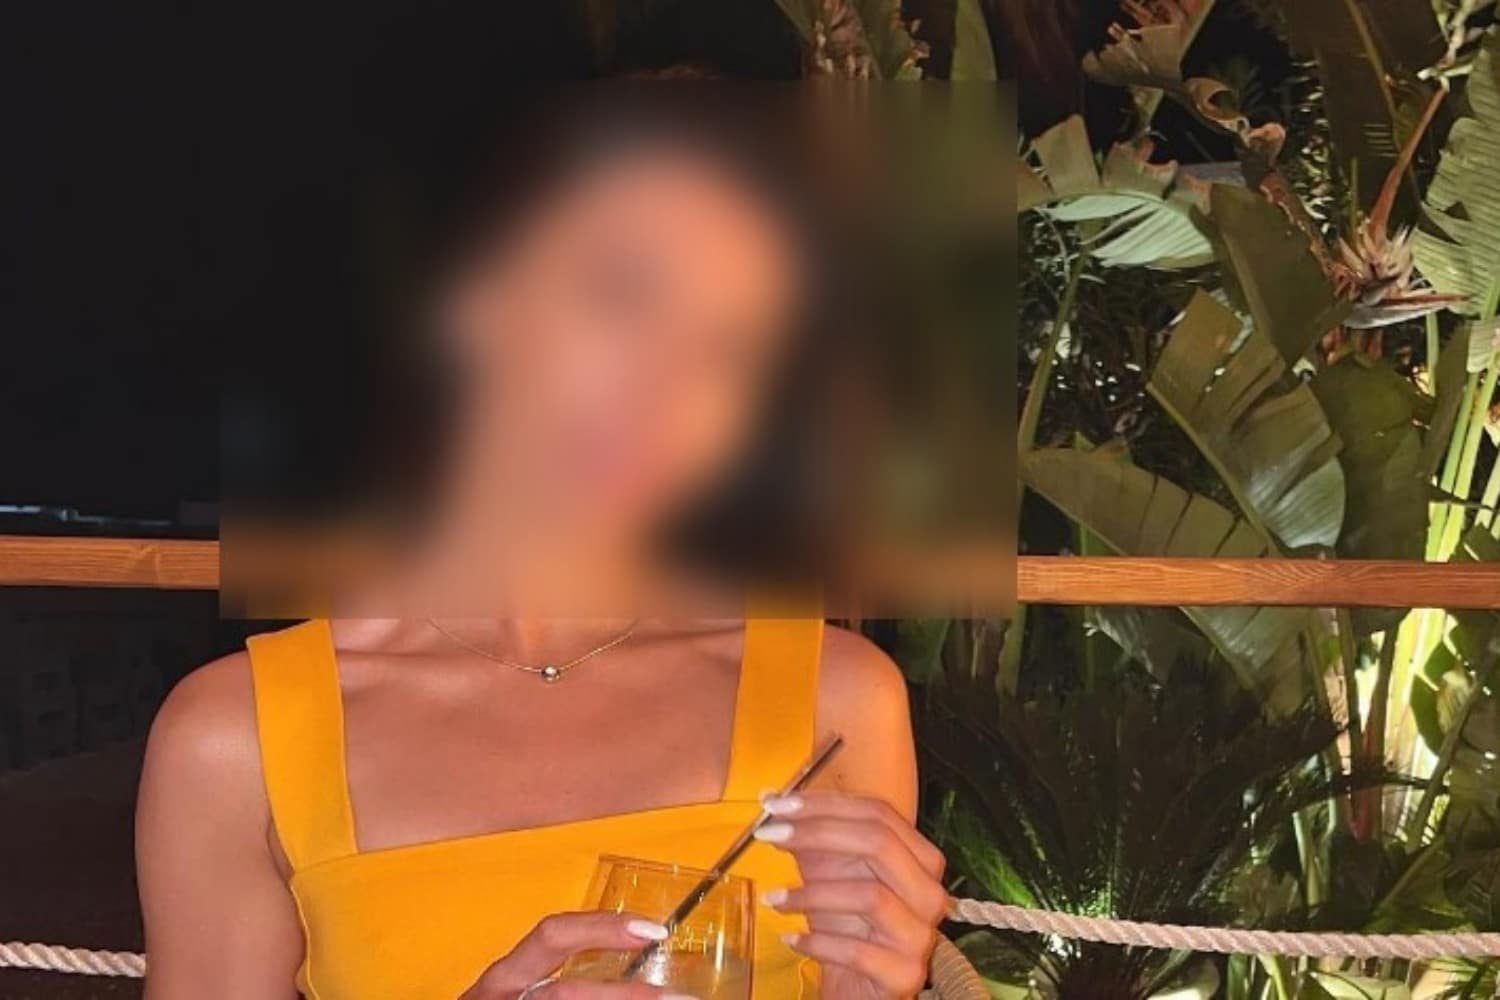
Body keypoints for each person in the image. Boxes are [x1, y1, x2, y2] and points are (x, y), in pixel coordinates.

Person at [136, 98, 947, 999]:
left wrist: (871, 991)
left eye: (730, 348)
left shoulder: (836, 702)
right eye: (623, 298)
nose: (665, 389)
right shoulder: (238, 738)